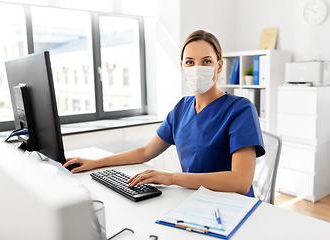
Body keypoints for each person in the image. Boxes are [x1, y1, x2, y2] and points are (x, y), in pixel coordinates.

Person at [64, 30, 265, 197]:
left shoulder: (240, 109)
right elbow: (145, 152)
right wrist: (96, 163)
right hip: (195, 198)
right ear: (182, 67)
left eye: (206, 61)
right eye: (190, 62)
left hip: (234, 204)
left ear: (219, 66)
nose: (197, 68)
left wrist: (171, 178)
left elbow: (240, 181)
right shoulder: (181, 109)